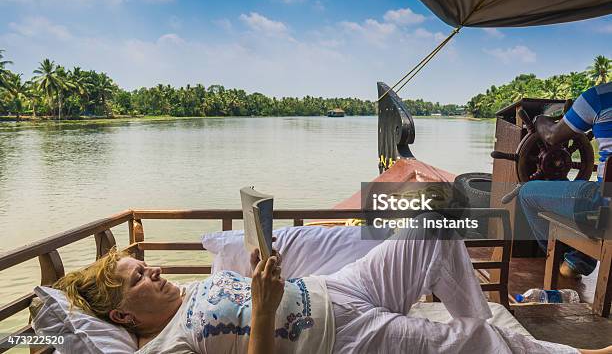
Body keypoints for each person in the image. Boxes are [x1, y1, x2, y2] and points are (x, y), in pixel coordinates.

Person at [52, 220, 612, 354]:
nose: (153, 270)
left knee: (434, 226)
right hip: (341, 332)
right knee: (467, 344)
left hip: (335, 285)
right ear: (123, 317)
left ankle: (485, 326)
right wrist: (265, 309)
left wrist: (258, 270)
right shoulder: (168, 344)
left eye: (145, 266)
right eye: (139, 278)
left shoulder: (196, 290)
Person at [518, 82, 612, 278]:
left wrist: (539, 120)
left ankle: (564, 261)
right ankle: (580, 258)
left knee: (526, 193)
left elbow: (552, 136)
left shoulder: (599, 97)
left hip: (605, 213)